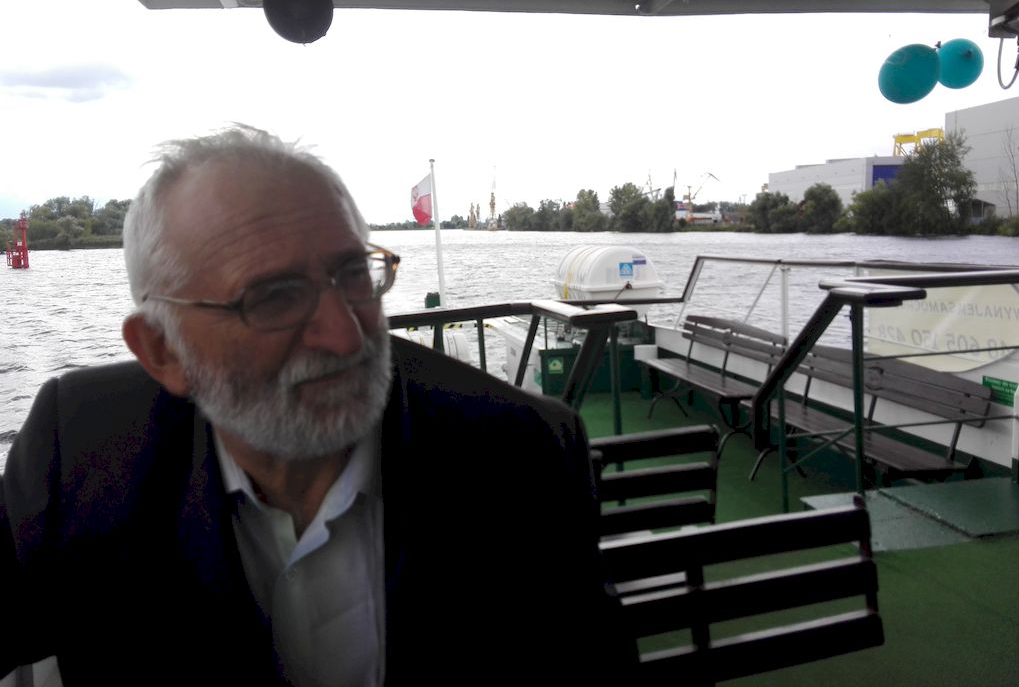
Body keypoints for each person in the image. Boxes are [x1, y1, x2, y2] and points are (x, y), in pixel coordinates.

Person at [0, 125, 637, 685]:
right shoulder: (78, 453)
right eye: (273, 297)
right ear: (163, 350)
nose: (345, 335)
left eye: (354, 275)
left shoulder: (518, 450)